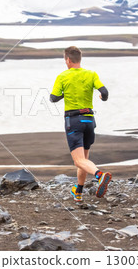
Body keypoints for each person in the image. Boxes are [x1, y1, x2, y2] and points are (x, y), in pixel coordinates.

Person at [50, 46, 111, 202]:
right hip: (89, 120)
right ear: (79, 59)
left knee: (78, 160)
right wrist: (102, 99)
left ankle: (100, 175)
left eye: (65, 60)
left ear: (68, 60)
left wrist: (65, 93)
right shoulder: (91, 74)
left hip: (74, 121)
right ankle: (78, 191)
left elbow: (53, 98)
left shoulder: (63, 76)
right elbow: (104, 92)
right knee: (83, 159)